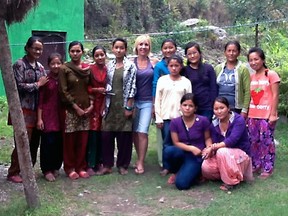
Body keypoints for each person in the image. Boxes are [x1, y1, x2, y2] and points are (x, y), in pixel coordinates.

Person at [7, 36, 48, 183]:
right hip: (22, 110)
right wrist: (38, 84)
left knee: (34, 143)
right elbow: (17, 86)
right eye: (35, 48)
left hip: (37, 111)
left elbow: (44, 88)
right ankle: (13, 172)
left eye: (40, 49)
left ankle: (27, 171)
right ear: (28, 48)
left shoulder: (41, 67)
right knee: (22, 141)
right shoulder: (19, 65)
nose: (38, 51)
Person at [99, 38, 137, 175]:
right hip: (110, 105)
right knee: (106, 135)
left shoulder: (130, 66)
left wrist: (129, 106)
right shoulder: (109, 65)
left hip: (124, 104)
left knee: (124, 137)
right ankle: (107, 164)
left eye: (122, 48)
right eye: (116, 47)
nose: (119, 50)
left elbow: (132, 87)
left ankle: (123, 165)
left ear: (125, 49)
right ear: (113, 49)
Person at [202, 97, 253, 191]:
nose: (219, 111)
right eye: (216, 109)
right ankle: (228, 174)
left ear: (228, 108)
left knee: (222, 151)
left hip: (241, 155)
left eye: (222, 108)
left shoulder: (238, 120)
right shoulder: (214, 124)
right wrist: (209, 150)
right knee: (206, 166)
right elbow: (213, 142)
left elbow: (232, 140)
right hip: (224, 156)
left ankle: (230, 182)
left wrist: (213, 147)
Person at [58, 41, 93, 180]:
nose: (75, 53)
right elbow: (63, 91)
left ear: (82, 52)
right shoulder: (64, 68)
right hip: (71, 110)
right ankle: (70, 168)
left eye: (78, 51)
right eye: (72, 51)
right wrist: (75, 107)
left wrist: (91, 105)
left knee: (83, 140)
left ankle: (81, 167)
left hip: (86, 110)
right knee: (70, 141)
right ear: (69, 52)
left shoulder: (87, 69)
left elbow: (90, 87)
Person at [164, 93, 211, 190]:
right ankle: (177, 171)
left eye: (191, 106)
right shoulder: (175, 122)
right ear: (180, 107)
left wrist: (208, 149)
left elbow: (207, 138)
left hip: (196, 157)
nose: (187, 108)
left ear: (195, 108)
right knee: (169, 151)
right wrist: (191, 148)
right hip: (182, 153)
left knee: (182, 184)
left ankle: (195, 173)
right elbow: (176, 142)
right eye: (184, 105)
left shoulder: (203, 120)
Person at [155, 54, 192, 176]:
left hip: (181, 118)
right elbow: (158, 99)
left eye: (177, 65)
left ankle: (179, 166)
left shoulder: (186, 82)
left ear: (181, 66)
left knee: (181, 143)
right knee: (167, 143)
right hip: (166, 117)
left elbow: (189, 100)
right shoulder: (162, 80)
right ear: (168, 66)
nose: (174, 68)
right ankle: (166, 167)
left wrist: (188, 117)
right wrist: (158, 117)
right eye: (171, 66)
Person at [247, 47, 280, 179]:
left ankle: (267, 168)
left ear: (263, 60)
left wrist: (273, 114)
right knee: (253, 141)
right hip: (252, 114)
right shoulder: (251, 77)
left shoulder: (271, 74)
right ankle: (256, 165)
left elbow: (276, 95)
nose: (253, 62)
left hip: (266, 115)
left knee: (266, 142)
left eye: (256, 59)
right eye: (250, 60)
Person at [132, 35, 158, 174]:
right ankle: (138, 156)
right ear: (136, 47)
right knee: (135, 132)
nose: (143, 47)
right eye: (140, 44)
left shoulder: (153, 63)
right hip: (133, 101)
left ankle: (141, 161)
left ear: (149, 47)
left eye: (146, 44)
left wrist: (155, 105)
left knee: (143, 132)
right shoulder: (131, 62)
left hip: (148, 102)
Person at [37, 53, 63, 182]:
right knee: (48, 143)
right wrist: (39, 119)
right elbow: (40, 102)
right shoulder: (46, 80)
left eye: (58, 63)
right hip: (48, 116)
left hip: (61, 116)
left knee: (59, 143)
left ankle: (56, 167)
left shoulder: (64, 79)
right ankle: (46, 170)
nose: (56, 66)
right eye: (53, 63)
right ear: (49, 65)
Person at [152, 38, 177, 169]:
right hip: (164, 106)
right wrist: (155, 108)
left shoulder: (180, 65)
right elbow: (155, 86)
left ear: (175, 49)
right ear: (162, 50)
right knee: (166, 138)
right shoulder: (159, 67)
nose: (168, 50)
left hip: (178, 108)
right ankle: (165, 164)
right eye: (165, 48)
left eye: (171, 47)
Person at [182, 41, 217, 121]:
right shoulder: (184, 70)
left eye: (195, 53)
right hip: (191, 107)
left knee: (205, 130)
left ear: (200, 53)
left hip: (207, 106)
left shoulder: (208, 68)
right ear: (186, 56)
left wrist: (213, 104)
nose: (192, 56)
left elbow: (213, 88)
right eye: (189, 54)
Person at [86, 45, 107, 176]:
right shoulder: (89, 70)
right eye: (97, 55)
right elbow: (85, 87)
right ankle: (90, 163)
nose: (99, 57)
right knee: (92, 134)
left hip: (105, 103)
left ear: (105, 55)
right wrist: (96, 90)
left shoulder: (108, 69)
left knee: (102, 135)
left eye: (102, 54)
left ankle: (100, 162)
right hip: (92, 103)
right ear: (93, 57)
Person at [214, 41, 250, 118]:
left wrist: (244, 110)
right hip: (219, 108)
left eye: (234, 51)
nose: (231, 53)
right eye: (229, 51)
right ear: (225, 52)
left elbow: (247, 91)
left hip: (236, 108)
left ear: (238, 53)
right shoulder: (218, 68)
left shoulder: (243, 69)